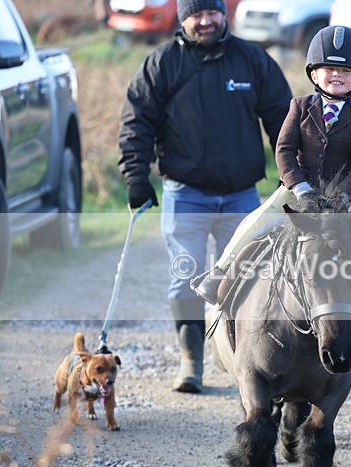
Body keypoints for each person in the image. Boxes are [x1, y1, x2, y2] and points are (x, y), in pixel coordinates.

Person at [118, 0, 292, 393]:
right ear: (183, 19)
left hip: (242, 198)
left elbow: (283, 121)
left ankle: (254, 362)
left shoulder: (253, 61)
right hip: (185, 195)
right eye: (195, 13)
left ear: (222, 14)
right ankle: (191, 361)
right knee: (185, 280)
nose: (205, 20)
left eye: (211, 11)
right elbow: (137, 121)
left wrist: (292, 175)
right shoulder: (161, 65)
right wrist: (135, 175)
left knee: (252, 282)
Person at [192, 25, 351, 335]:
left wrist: (342, 196)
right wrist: (301, 188)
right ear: (314, 74)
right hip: (295, 193)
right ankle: (221, 273)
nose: (337, 75)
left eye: (345, 71)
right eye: (329, 69)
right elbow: (284, 150)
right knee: (255, 224)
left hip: (339, 202)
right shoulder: (299, 107)